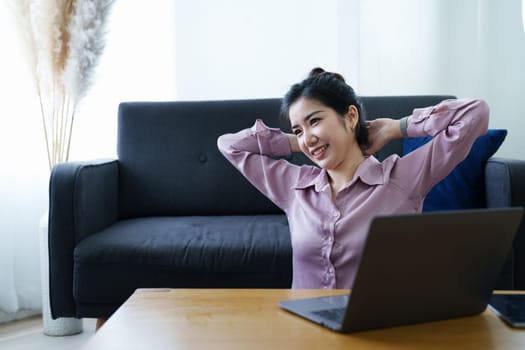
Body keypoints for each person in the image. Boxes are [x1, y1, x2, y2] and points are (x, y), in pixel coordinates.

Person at [217, 68, 489, 289]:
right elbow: (229, 145)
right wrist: (301, 141)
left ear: (350, 116)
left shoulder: (402, 179)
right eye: (298, 129)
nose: (307, 136)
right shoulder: (294, 186)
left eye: (315, 121)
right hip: (305, 331)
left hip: (376, 330)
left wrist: (397, 127)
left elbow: (475, 113)